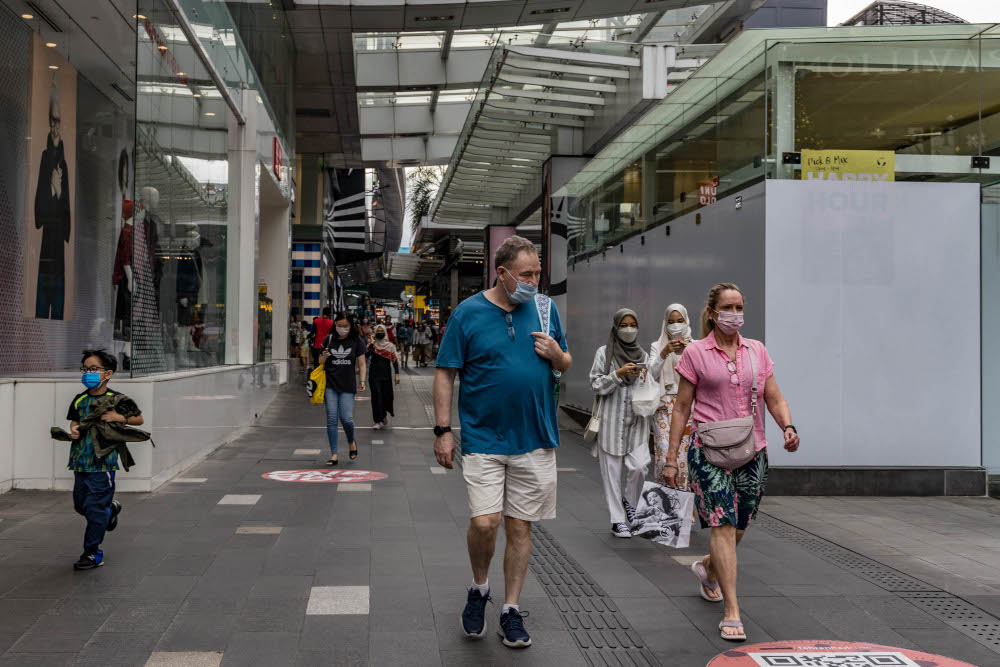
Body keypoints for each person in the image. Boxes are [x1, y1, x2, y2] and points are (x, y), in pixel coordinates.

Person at [433, 235, 571, 650]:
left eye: (537, 273)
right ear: (502, 272)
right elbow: (445, 372)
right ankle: (479, 588)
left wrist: (556, 355)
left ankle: (510, 609)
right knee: (484, 522)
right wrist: (443, 431)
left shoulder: (546, 310)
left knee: (519, 526)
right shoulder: (468, 313)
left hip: (535, 436)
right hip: (483, 437)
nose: (533, 281)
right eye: (526, 274)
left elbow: (566, 360)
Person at [665, 282, 800, 642]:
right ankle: (732, 611)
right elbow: (681, 407)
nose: (735, 314)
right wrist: (671, 458)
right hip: (708, 451)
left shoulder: (757, 351)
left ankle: (709, 567)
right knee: (722, 526)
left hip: (752, 451)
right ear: (712, 312)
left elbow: (775, 397)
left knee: (740, 526)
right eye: (728, 307)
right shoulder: (695, 352)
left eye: (740, 307)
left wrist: (787, 426)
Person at [589, 309, 664, 538]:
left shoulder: (642, 355)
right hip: (610, 424)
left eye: (633, 324)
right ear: (615, 327)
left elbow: (651, 381)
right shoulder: (604, 354)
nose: (629, 329)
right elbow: (596, 385)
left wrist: (647, 371)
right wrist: (618, 374)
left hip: (637, 423)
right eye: (624, 325)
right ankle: (617, 520)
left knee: (641, 465)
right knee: (611, 475)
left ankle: (630, 502)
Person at [66, 349, 143, 570]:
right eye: (85, 369)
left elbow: (139, 419)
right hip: (80, 461)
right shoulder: (79, 399)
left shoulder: (117, 399)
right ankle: (111, 510)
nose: (87, 373)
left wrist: (119, 417)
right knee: (81, 506)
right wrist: (73, 430)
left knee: (95, 510)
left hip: (103, 463)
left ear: (107, 374)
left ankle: (92, 553)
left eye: (93, 369)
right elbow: (73, 421)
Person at [35, 78, 71, 320]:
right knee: (44, 295)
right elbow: (40, 197)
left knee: (57, 299)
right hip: (48, 240)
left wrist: (58, 192)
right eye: (52, 121)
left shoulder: (63, 162)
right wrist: (53, 192)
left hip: (57, 246)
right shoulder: (45, 157)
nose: (55, 127)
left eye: (57, 121)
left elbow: (65, 206)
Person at [651, 304, 696, 485]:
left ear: (687, 322)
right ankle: (665, 506)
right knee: (664, 456)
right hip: (664, 405)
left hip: (689, 406)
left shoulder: (695, 347)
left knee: (684, 457)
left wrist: (688, 352)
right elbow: (651, 375)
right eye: (671, 322)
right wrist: (664, 352)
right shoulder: (658, 346)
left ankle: (685, 508)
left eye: (680, 321)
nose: (675, 326)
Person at [318, 313, 367, 466]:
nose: (342, 328)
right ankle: (334, 454)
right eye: (340, 325)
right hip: (330, 384)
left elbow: (362, 363)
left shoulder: (356, 341)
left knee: (346, 418)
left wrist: (363, 380)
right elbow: (319, 361)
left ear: (351, 326)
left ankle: (351, 441)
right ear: (335, 324)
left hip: (348, 385)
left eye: (345, 326)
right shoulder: (329, 339)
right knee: (332, 419)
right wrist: (324, 357)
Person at [368, 324, 401, 429]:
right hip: (373, 375)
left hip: (386, 375)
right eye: (378, 331)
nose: (380, 332)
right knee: (376, 397)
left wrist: (397, 374)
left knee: (385, 396)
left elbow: (394, 361)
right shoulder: (372, 346)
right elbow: (365, 355)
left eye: (382, 331)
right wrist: (372, 343)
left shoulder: (390, 345)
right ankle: (377, 421)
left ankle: (383, 415)